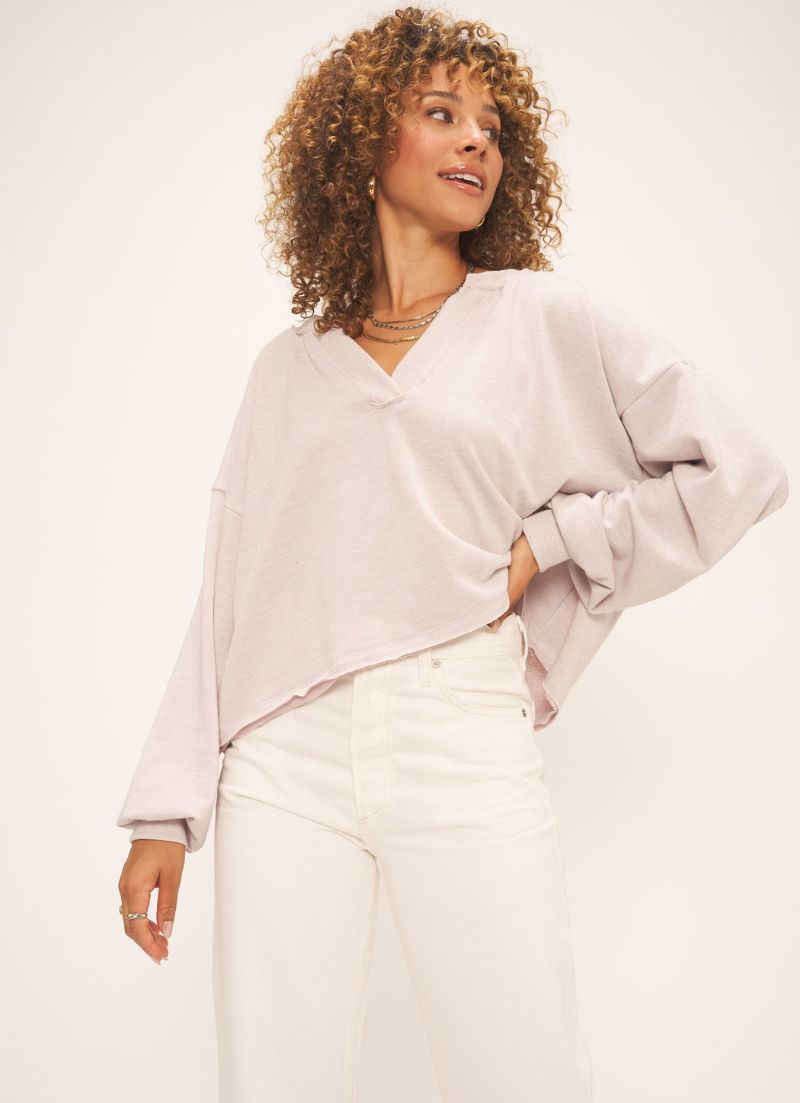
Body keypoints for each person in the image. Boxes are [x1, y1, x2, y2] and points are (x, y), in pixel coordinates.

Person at [116, 8, 788, 1102]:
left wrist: (553, 541)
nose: (475, 137)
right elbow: (229, 592)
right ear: (361, 143)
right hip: (282, 754)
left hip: (460, 729)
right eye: (440, 112)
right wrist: (164, 808)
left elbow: (737, 467)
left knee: (524, 1070)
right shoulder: (285, 370)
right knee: (273, 1079)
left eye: (491, 125)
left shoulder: (543, 320)